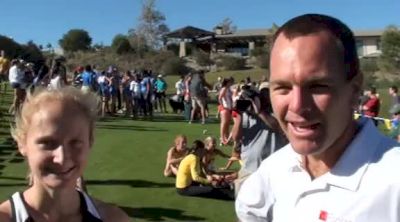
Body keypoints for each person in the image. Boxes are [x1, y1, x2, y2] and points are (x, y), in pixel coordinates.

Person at [235, 14, 400, 222]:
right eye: (283, 88)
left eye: (318, 87)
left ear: (355, 90)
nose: (297, 105)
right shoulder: (274, 169)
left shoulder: (394, 183)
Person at [0, 86, 130, 221]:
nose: (61, 159)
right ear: (22, 144)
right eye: (47, 143)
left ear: (90, 142)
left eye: (75, 143)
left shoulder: (113, 218)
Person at [231, 85, 287, 196]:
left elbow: (278, 127)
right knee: (245, 208)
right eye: (263, 93)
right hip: (249, 168)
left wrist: (259, 112)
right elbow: (235, 137)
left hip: (273, 172)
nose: (265, 96)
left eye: (268, 92)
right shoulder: (247, 113)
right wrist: (240, 115)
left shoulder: (278, 110)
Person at [218, 78, 233, 145]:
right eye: (230, 82)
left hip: (229, 108)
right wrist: (222, 105)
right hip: (225, 108)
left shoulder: (229, 89)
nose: (231, 83)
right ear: (227, 83)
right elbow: (220, 97)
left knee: (227, 123)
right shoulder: (224, 89)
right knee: (224, 123)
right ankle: (222, 138)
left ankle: (226, 137)